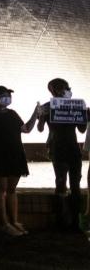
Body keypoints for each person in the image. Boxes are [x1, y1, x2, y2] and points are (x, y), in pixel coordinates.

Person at [0, 85, 39, 237]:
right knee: (0, 188)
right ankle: (4, 224)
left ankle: (14, 221)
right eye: (4, 95)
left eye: (9, 96)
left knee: (11, 189)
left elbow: (26, 129)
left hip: (15, 154)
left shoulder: (12, 113)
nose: (7, 98)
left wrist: (36, 113)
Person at [36, 78, 86, 231]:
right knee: (61, 182)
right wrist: (41, 115)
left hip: (72, 148)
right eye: (63, 88)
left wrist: (86, 115)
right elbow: (39, 128)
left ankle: (75, 222)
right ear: (54, 91)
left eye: (67, 88)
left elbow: (82, 130)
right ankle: (62, 221)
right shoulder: (47, 106)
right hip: (57, 148)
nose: (66, 91)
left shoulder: (77, 106)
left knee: (75, 184)